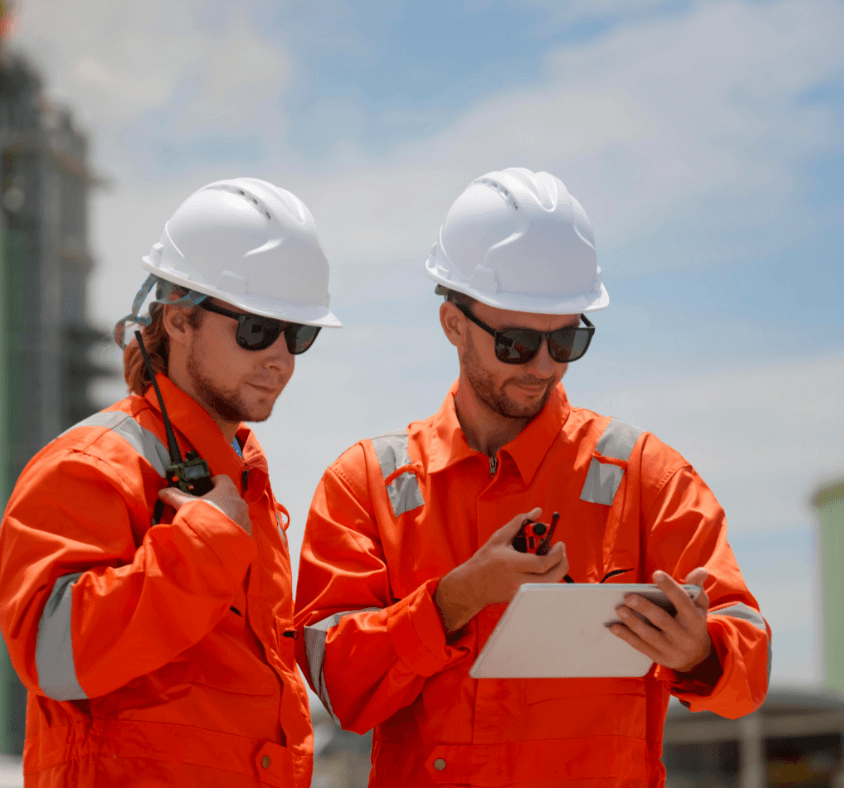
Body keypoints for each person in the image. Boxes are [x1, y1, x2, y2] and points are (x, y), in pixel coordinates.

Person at [294, 168, 770, 787]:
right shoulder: (366, 484)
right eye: (518, 342)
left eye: (567, 339)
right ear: (453, 323)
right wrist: (454, 600)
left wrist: (701, 656)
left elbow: (748, 665)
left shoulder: (646, 476)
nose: (545, 366)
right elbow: (341, 690)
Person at [0, 178, 341, 788]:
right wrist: (200, 551)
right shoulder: (92, 465)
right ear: (180, 321)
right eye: (258, 329)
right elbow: (54, 656)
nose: (282, 358)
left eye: (300, 334)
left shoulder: (241, 483)